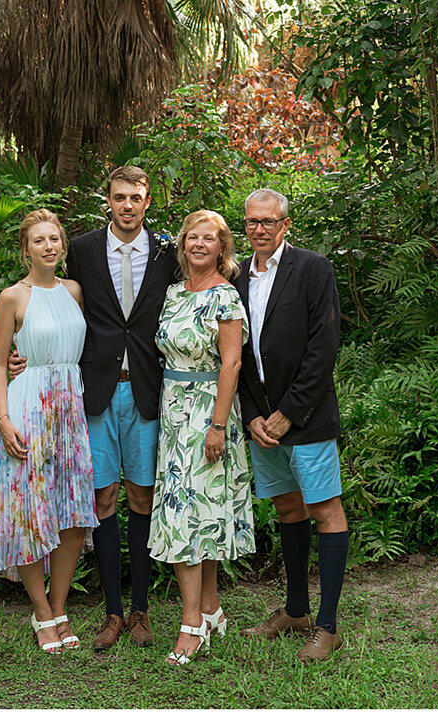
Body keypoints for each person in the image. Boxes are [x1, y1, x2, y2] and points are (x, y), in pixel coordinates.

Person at [234, 188, 350, 663]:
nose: (259, 229)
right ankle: (296, 611)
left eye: (267, 221)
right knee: (287, 508)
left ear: (285, 224)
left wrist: (289, 413)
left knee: (325, 511)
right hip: (262, 421)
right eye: (251, 223)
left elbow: (324, 347)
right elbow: (234, 354)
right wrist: (253, 415)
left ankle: (328, 627)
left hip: (306, 418)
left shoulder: (312, 268)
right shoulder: (236, 276)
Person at [70, 164, 178, 651]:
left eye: (136, 197)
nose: (127, 205)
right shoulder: (83, 250)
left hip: (147, 392)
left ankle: (141, 611)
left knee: (142, 498)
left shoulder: (168, 252)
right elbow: (57, 303)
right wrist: (21, 350)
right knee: (103, 501)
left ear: (148, 201)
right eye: (119, 197)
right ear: (108, 200)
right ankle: (111, 613)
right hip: (98, 390)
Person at [147, 209, 255, 666]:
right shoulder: (173, 294)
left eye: (208, 238)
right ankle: (209, 609)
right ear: (183, 243)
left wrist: (216, 424)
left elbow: (232, 364)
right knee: (198, 515)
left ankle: (190, 624)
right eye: (192, 237)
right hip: (173, 413)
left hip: (209, 413)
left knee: (185, 517)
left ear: (221, 247)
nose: (198, 244)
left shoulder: (226, 297)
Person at [0, 209, 99, 653]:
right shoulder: (13, 297)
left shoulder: (74, 291)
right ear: (25, 249)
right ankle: (40, 610)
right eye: (39, 240)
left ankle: (58, 606)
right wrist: (3, 419)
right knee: (30, 512)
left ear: (63, 245)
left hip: (71, 409)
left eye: (55, 238)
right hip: (28, 408)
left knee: (72, 513)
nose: (49, 246)